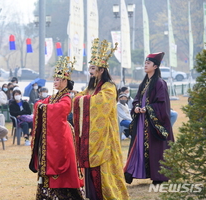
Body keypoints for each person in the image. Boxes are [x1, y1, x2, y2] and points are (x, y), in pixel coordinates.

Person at [72, 38, 129, 199]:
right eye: (89, 67)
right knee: (90, 165)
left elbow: (99, 103)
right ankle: (92, 194)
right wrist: (76, 96)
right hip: (90, 137)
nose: (90, 71)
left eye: (93, 68)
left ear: (101, 70)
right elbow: (82, 96)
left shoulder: (109, 87)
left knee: (105, 166)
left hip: (105, 135)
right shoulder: (91, 87)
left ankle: (106, 194)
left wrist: (81, 99)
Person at [29, 56, 84, 199]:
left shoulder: (66, 97)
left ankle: (66, 191)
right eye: (54, 79)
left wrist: (44, 107)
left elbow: (61, 109)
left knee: (63, 160)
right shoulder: (54, 97)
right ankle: (49, 191)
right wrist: (41, 105)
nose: (55, 82)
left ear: (65, 81)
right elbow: (41, 103)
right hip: (53, 134)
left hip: (62, 135)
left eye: (58, 79)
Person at [123, 52, 175, 185]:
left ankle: (158, 176)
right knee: (139, 145)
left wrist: (148, 109)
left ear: (155, 66)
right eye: (145, 63)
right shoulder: (144, 82)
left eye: (148, 63)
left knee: (155, 148)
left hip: (153, 123)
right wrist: (136, 107)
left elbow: (162, 104)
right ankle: (133, 172)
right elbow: (136, 99)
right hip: (142, 121)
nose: (145, 65)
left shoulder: (159, 83)